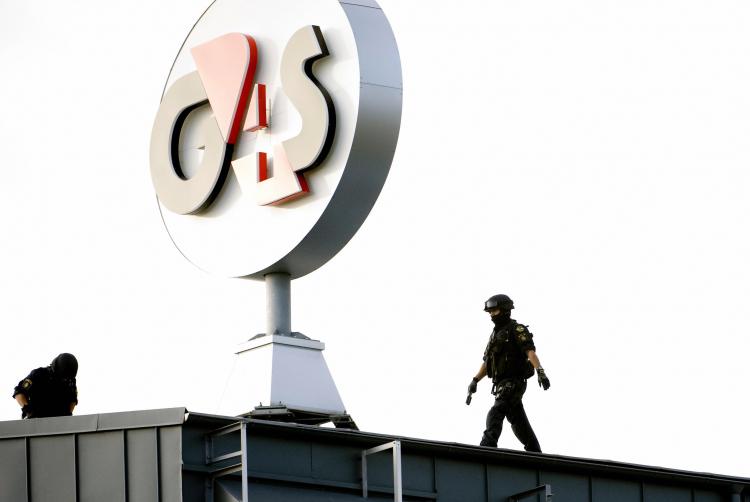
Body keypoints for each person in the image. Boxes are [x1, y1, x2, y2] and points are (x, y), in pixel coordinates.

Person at [466, 294, 550, 452]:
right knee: (518, 422)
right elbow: (487, 363)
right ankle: (535, 453)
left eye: (495, 311)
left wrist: (540, 371)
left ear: (505, 310)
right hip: (501, 384)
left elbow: (530, 352)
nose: (491, 315)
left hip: (514, 382)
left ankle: (487, 446)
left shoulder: (516, 330)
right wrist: (475, 380)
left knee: (497, 411)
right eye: (490, 312)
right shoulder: (494, 336)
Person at [12, 353, 78, 419]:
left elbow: (73, 399)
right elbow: (19, 392)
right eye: (63, 377)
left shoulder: (70, 380)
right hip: (36, 419)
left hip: (59, 421)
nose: (64, 380)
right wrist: (27, 410)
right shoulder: (38, 374)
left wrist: (68, 415)